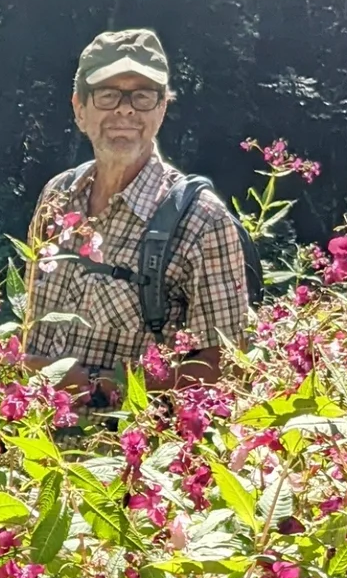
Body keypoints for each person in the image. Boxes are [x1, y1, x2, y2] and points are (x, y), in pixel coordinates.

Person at [21, 26, 253, 398]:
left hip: (120, 449)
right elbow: (33, 325)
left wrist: (98, 389)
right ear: (79, 108)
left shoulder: (200, 220)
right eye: (108, 94)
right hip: (29, 439)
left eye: (142, 96)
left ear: (161, 110)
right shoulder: (58, 195)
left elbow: (226, 368)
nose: (125, 109)